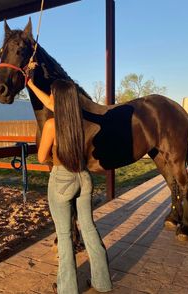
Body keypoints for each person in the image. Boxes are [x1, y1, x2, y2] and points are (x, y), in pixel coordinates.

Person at [27, 78, 113, 294]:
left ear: (59, 100)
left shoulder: (50, 125)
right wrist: (31, 85)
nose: (51, 97)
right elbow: (50, 103)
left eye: (53, 94)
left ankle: (67, 289)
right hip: (84, 178)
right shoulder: (80, 122)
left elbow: (40, 156)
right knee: (90, 227)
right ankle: (102, 282)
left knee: (64, 235)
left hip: (62, 180)